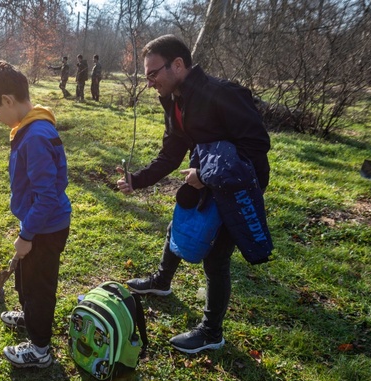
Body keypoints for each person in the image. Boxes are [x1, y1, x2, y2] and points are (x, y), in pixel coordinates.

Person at [116, 34, 271, 354]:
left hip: (239, 187)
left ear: (177, 64)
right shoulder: (176, 101)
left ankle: (212, 332)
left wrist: (207, 175)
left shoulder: (223, 94)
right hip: (207, 181)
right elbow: (172, 153)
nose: (149, 82)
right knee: (180, 220)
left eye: (152, 73)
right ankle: (162, 281)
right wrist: (138, 179)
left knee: (216, 260)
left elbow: (257, 146)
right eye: (145, 76)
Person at [0, 60, 72, 368]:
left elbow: (47, 195)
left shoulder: (35, 136)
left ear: (7, 100)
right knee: (25, 279)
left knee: (39, 287)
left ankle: (40, 349)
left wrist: (26, 234)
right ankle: (28, 316)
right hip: (37, 223)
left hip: (44, 227)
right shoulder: (31, 127)